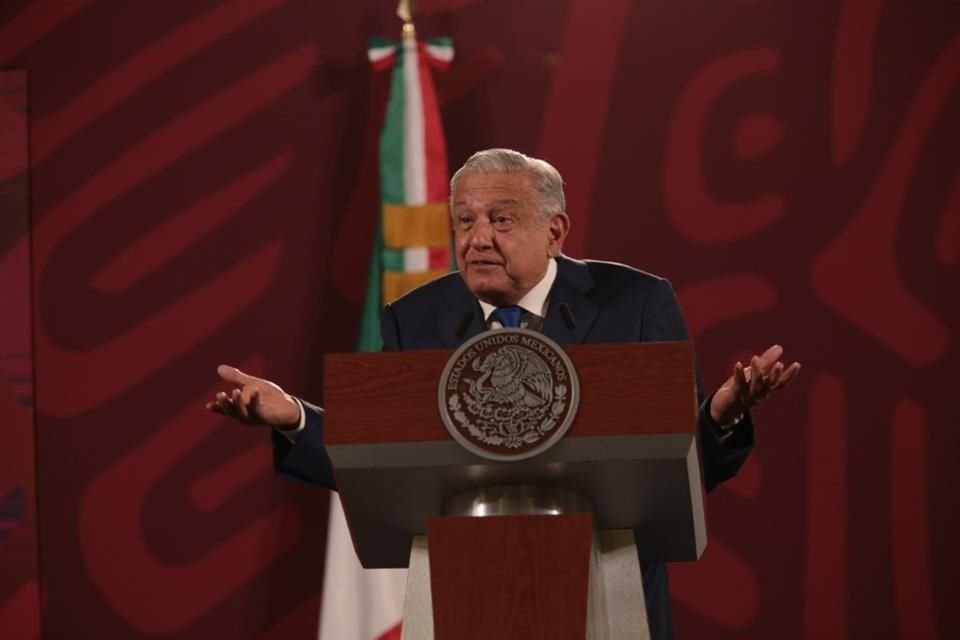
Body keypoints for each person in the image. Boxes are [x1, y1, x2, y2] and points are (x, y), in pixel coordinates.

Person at [207, 148, 800, 639]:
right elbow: (381, 455)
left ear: (555, 230)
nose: (478, 238)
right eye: (464, 221)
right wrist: (295, 419)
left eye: (501, 219)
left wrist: (721, 416)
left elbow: (685, 461)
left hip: (606, 594)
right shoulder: (417, 319)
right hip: (463, 596)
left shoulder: (635, 303)